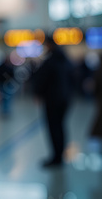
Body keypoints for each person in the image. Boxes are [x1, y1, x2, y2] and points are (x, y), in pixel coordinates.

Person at [33, 37, 74, 167]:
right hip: (65, 99)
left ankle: (56, 158)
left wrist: (38, 93)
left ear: (49, 45)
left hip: (52, 100)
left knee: (53, 128)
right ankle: (60, 154)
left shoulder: (50, 61)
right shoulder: (66, 60)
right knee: (60, 127)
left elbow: (42, 79)